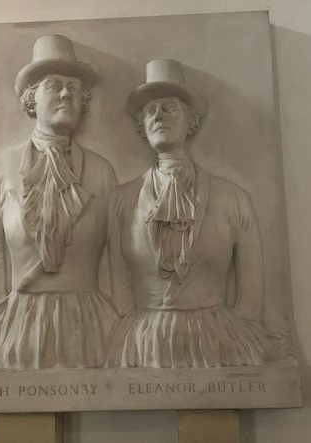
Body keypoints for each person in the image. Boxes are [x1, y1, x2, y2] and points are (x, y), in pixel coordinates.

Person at [0, 35, 118, 370]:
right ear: (31, 98)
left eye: (74, 88)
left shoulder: (102, 172)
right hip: (20, 320)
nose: (66, 94)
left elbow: (117, 257)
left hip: (90, 322)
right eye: (54, 85)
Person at [106, 59, 272, 368]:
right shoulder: (121, 201)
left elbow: (251, 294)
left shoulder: (234, 199)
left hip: (219, 342)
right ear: (141, 126)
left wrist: (240, 330)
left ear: (192, 121)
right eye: (149, 111)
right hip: (143, 344)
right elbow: (120, 287)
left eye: (169, 108)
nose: (158, 116)